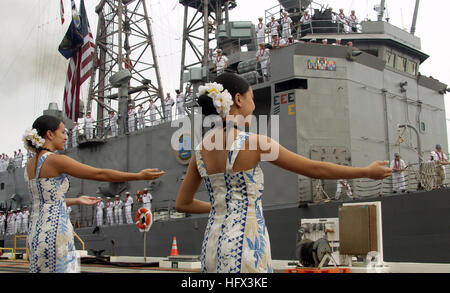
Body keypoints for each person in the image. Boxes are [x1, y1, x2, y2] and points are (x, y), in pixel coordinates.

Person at [175, 73, 392, 273]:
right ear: (238, 100)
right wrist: (365, 171)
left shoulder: (200, 151)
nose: (253, 105)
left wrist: (223, 205)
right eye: (251, 98)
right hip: (246, 244)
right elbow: (315, 168)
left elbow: (182, 204)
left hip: (212, 245)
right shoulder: (254, 143)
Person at [23, 115, 165, 273]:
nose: (65, 137)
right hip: (56, 233)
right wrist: (138, 176)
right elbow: (100, 174)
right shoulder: (55, 160)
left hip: (37, 233)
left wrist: (77, 200)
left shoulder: (30, 165)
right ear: (50, 134)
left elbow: (46, 200)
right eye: (62, 132)